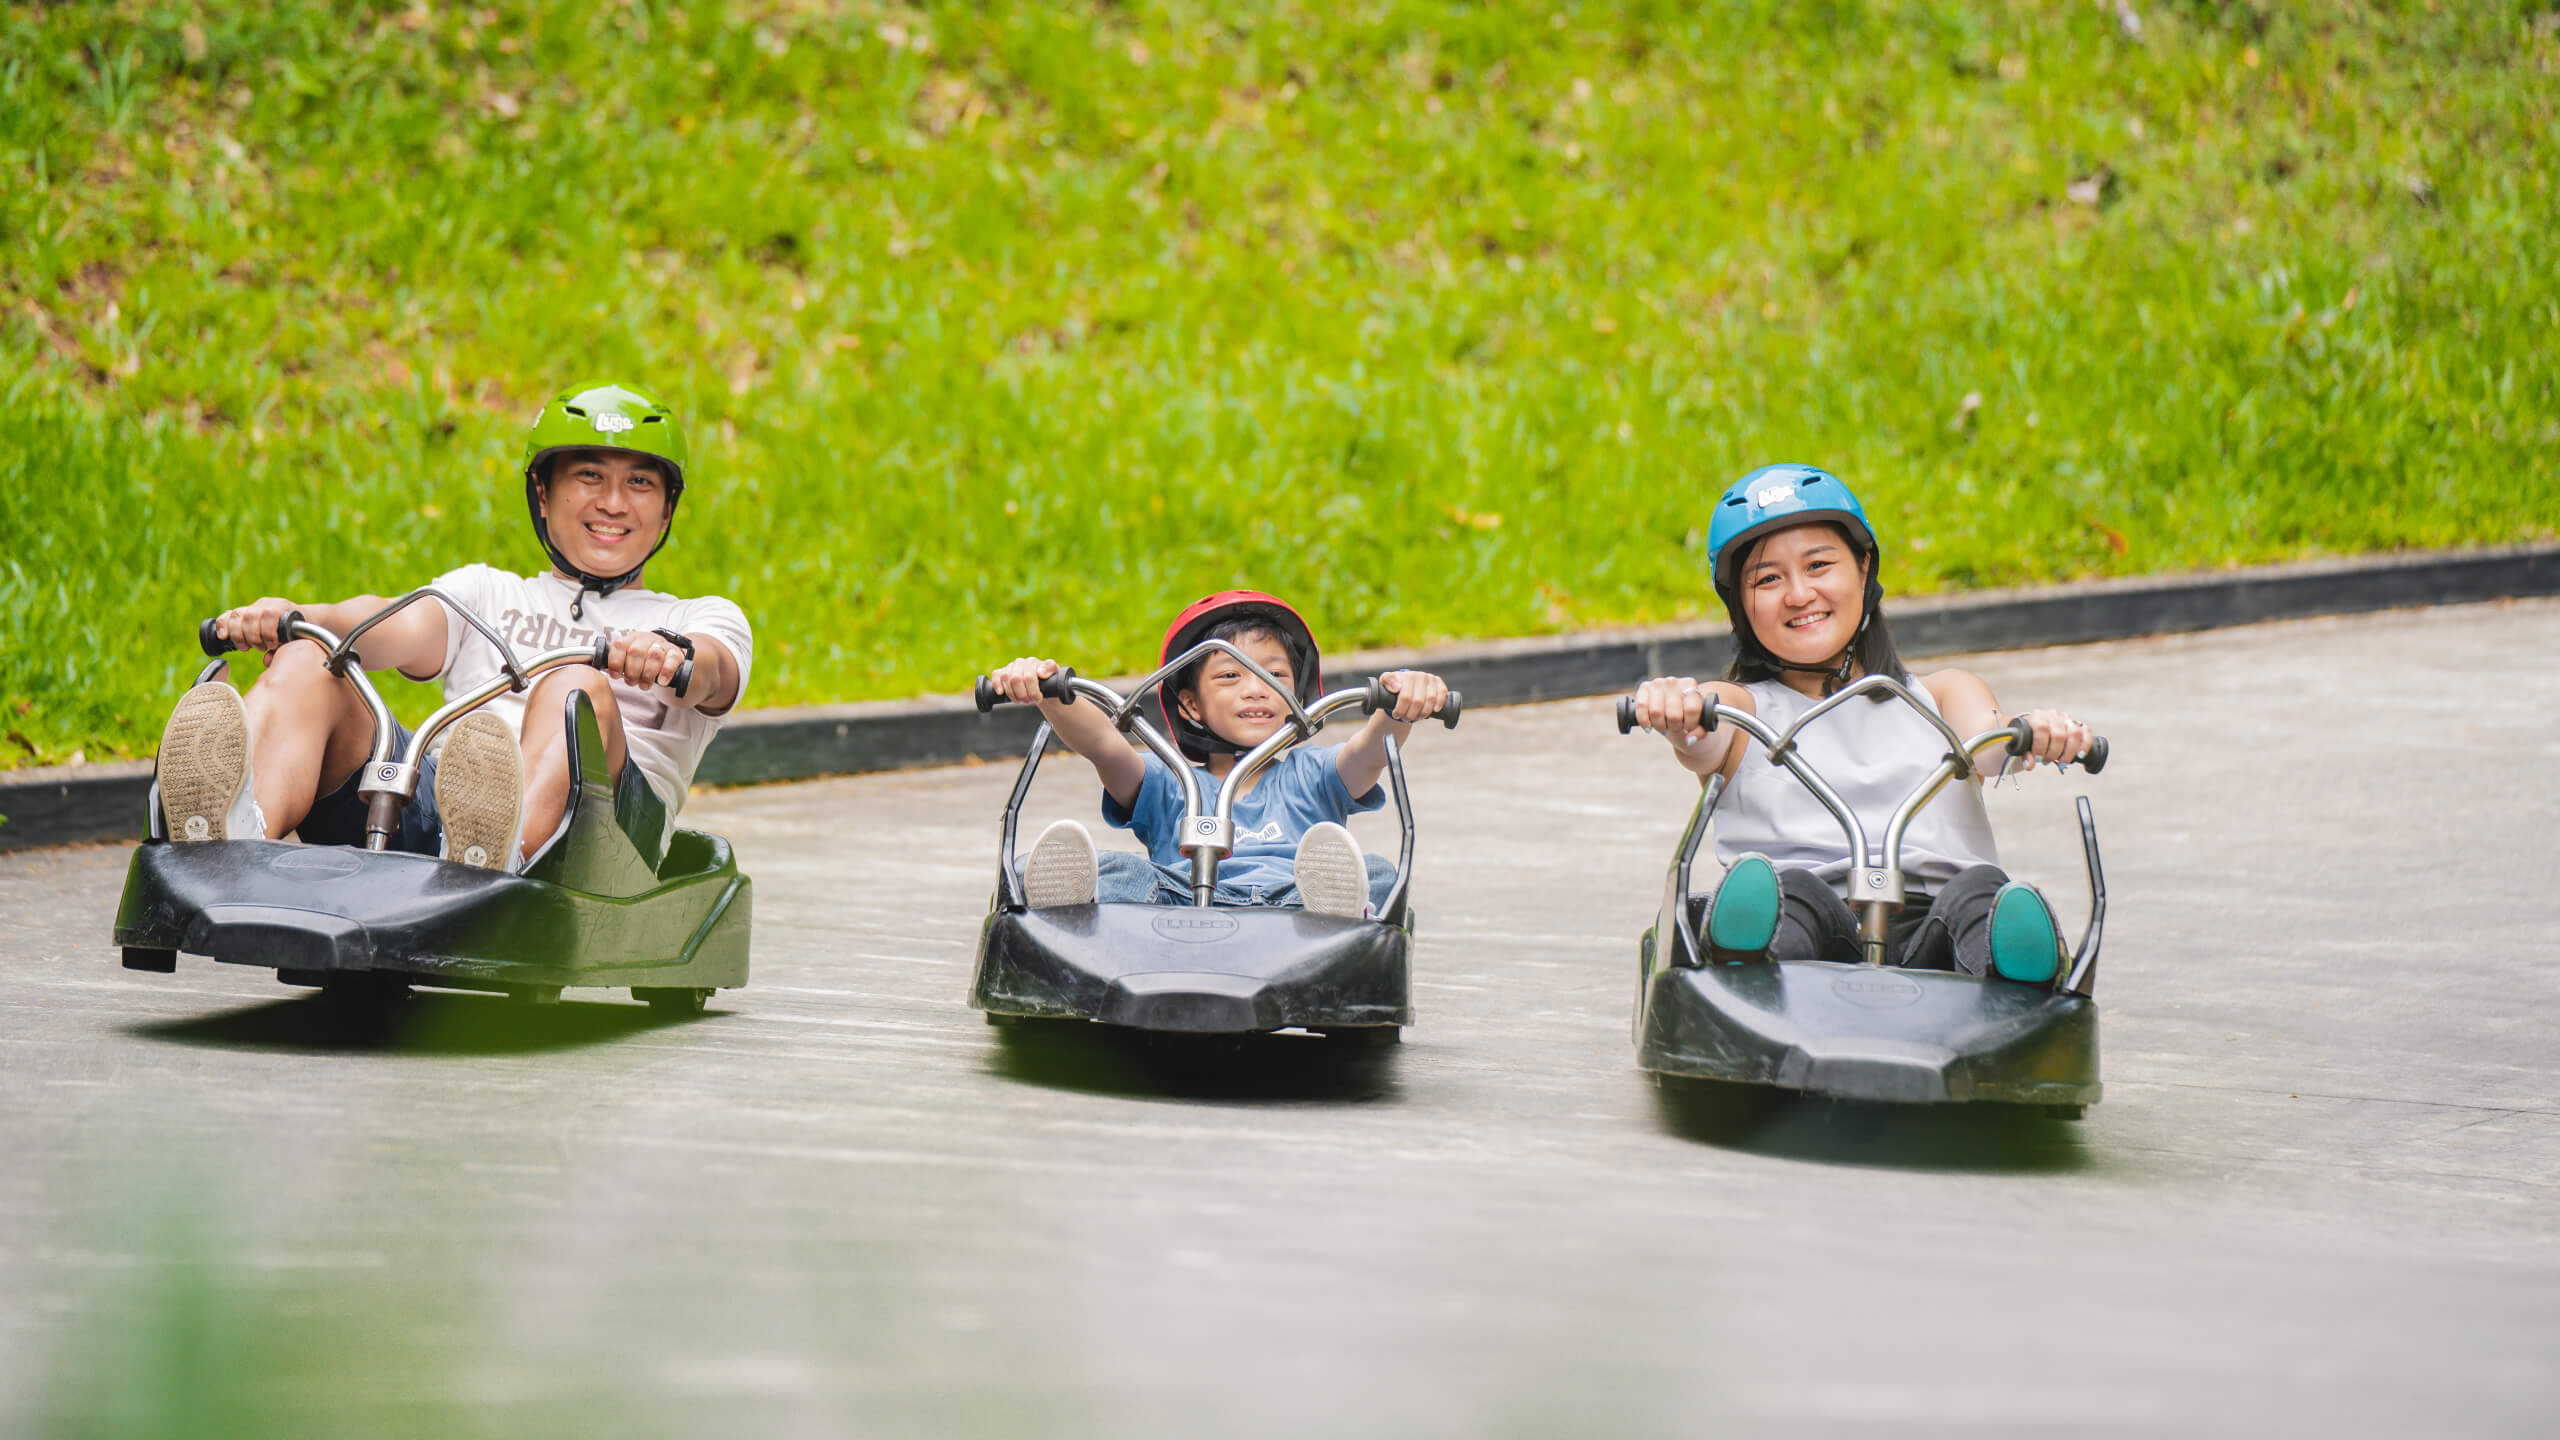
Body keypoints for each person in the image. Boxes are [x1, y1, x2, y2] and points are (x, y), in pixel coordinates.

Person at [153, 381, 753, 872]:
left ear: (667, 508)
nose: (614, 504)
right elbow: (385, 623)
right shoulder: (485, 592)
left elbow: (715, 670)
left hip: (599, 842)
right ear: (542, 495)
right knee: (317, 660)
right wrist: (300, 620)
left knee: (574, 686)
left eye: (640, 483)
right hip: (444, 815)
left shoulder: (696, 617)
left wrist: (673, 658)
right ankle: (230, 830)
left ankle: (501, 860)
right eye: (590, 477)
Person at [1624, 464, 2094, 984]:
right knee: (1791, 892)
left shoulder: (1940, 694)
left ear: (1863, 567)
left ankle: (2014, 968)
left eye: (1819, 565)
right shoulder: (1742, 709)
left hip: (1937, 928)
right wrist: (1678, 706)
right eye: (1768, 579)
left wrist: (2036, 734)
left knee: (1981, 891)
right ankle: (1747, 956)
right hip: (1809, 926)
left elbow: (1989, 743)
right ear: (1740, 604)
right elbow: (1701, 735)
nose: (1799, 594)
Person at [985, 591, 1451, 918]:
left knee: (1376, 871)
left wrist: (1402, 701)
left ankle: (1345, 919)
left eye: (1275, 675)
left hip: (1295, 905)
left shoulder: (1315, 775)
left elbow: (1370, 751)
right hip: (1176, 907)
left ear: (1297, 694)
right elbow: (1103, 743)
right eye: (1230, 677)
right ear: (1191, 704)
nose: (1256, 689)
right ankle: (1080, 908)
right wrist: (1047, 690)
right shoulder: (1168, 780)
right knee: (1114, 869)